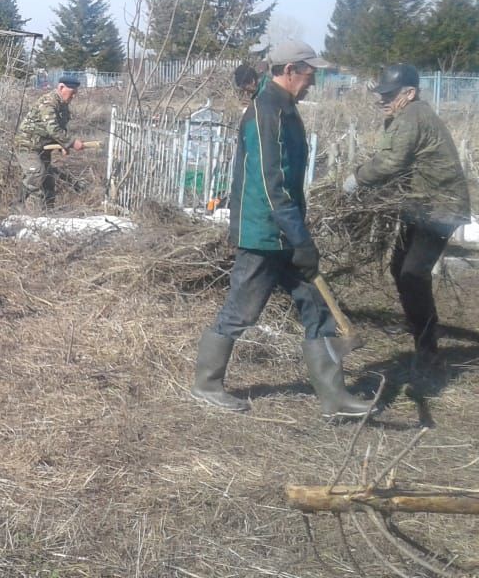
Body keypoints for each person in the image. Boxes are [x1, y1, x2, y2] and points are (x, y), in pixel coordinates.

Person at [191, 39, 375, 419]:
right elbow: (270, 184)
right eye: (310, 74)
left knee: (316, 306)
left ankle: (334, 398)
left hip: (284, 231)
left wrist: (297, 233)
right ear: (290, 70)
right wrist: (299, 236)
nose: (313, 82)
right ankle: (206, 384)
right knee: (241, 312)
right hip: (263, 233)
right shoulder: (265, 112)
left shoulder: (285, 107)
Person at [343, 64, 471, 362]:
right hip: (420, 204)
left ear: (410, 93)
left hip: (441, 208)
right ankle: (421, 331)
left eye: (389, 95)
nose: (383, 100)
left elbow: (391, 162)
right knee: (399, 268)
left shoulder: (413, 115)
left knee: (413, 272)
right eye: (382, 94)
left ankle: (427, 348)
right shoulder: (404, 115)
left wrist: (357, 179)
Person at [13, 74, 84, 211]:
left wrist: (63, 146)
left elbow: (60, 128)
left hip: (43, 147)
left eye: (75, 93)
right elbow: (52, 128)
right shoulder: (49, 102)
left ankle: (48, 214)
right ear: (61, 87)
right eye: (72, 93)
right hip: (27, 145)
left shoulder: (63, 106)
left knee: (48, 180)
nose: (73, 96)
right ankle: (21, 208)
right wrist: (71, 142)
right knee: (36, 174)